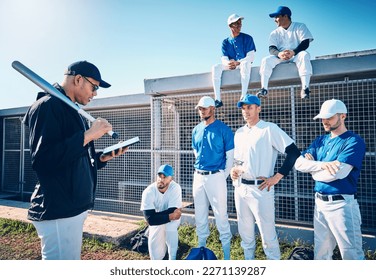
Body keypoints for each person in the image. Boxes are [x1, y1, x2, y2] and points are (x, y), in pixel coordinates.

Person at [23, 61, 127, 260]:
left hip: (72, 206)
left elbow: (75, 157)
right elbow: (43, 160)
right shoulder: (47, 106)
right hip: (57, 209)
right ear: (78, 79)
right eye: (94, 87)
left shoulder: (72, 110)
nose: (95, 93)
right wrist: (87, 136)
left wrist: (102, 157)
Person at [230, 94, 300, 260]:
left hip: (261, 188)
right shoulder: (239, 132)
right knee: (245, 231)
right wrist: (234, 169)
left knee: (267, 233)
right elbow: (238, 160)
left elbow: (293, 152)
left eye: (250, 107)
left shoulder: (269, 129)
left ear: (258, 108)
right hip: (240, 187)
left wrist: (276, 177)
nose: (246, 111)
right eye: (243, 107)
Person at [294, 99, 366, 260]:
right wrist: (323, 165)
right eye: (323, 118)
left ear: (343, 116)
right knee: (321, 253)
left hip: (342, 205)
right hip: (320, 204)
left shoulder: (353, 141)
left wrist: (312, 170)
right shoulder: (320, 140)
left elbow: (337, 174)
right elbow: (298, 163)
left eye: (329, 117)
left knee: (351, 254)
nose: (325, 121)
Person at [191, 96, 234, 259]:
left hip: (216, 177)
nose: (201, 111)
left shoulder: (223, 129)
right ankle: (201, 254)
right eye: (200, 108)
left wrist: (223, 176)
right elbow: (196, 151)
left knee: (221, 216)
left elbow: (230, 156)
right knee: (200, 215)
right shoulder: (196, 129)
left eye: (204, 108)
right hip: (198, 177)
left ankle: (227, 257)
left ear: (213, 108)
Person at [257, 6, 313, 99]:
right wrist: (279, 54)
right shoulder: (274, 32)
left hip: (296, 55)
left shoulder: (300, 26)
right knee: (266, 60)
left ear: (285, 16)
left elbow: (305, 43)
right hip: (280, 57)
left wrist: (293, 52)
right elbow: (272, 48)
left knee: (305, 55)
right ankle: (264, 89)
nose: (275, 20)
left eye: (277, 17)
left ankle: (305, 88)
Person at [211, 14, 256, 108]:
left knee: (245, 64)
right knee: (215, 67)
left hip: (242, 64)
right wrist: (228, 63)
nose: (239, 25)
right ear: (230, 26)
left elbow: (251, 57)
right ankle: (218, 99)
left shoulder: (248, 38)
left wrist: (238, 62)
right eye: (236, 23)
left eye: (240, 23)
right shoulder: (225, 42)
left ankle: (243, 96)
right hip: (231, 65)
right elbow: (224, 58)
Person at [140, 164, 182, 260]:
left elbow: (174, 213)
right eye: (159, 176)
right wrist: (169, 216)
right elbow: (150, 220)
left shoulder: (175, 188)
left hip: (168, 220)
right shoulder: (148, 192)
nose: (161, 179)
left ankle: (173, 258)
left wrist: (156, 217)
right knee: (155, 254)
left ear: (171, 179)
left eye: (165, 177)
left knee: (170, 227)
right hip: (157, 223)